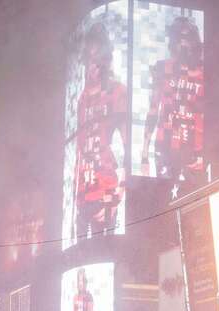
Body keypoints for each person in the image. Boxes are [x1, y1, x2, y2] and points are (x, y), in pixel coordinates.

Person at [74, 21, 127, 241]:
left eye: (98, 58)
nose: (93, 65)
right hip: (83, 197)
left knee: (104, 257)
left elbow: (127, 149)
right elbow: (79, 151)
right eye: (89, 59)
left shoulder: (116, 92)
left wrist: (117, 195)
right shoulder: (83, 99)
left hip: (106, 193)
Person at [140, 16, 203, 182]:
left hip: (192, 149)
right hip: (165, 146)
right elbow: (152, 111)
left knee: (193, 199)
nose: (183, 44)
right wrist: (144, 156)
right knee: (165, 196)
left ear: (194, 41)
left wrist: (201, 152)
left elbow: (205, 115)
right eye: (179, 38)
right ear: (173, 42)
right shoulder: (162, 69)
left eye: (187, 38)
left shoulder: (204, 73)